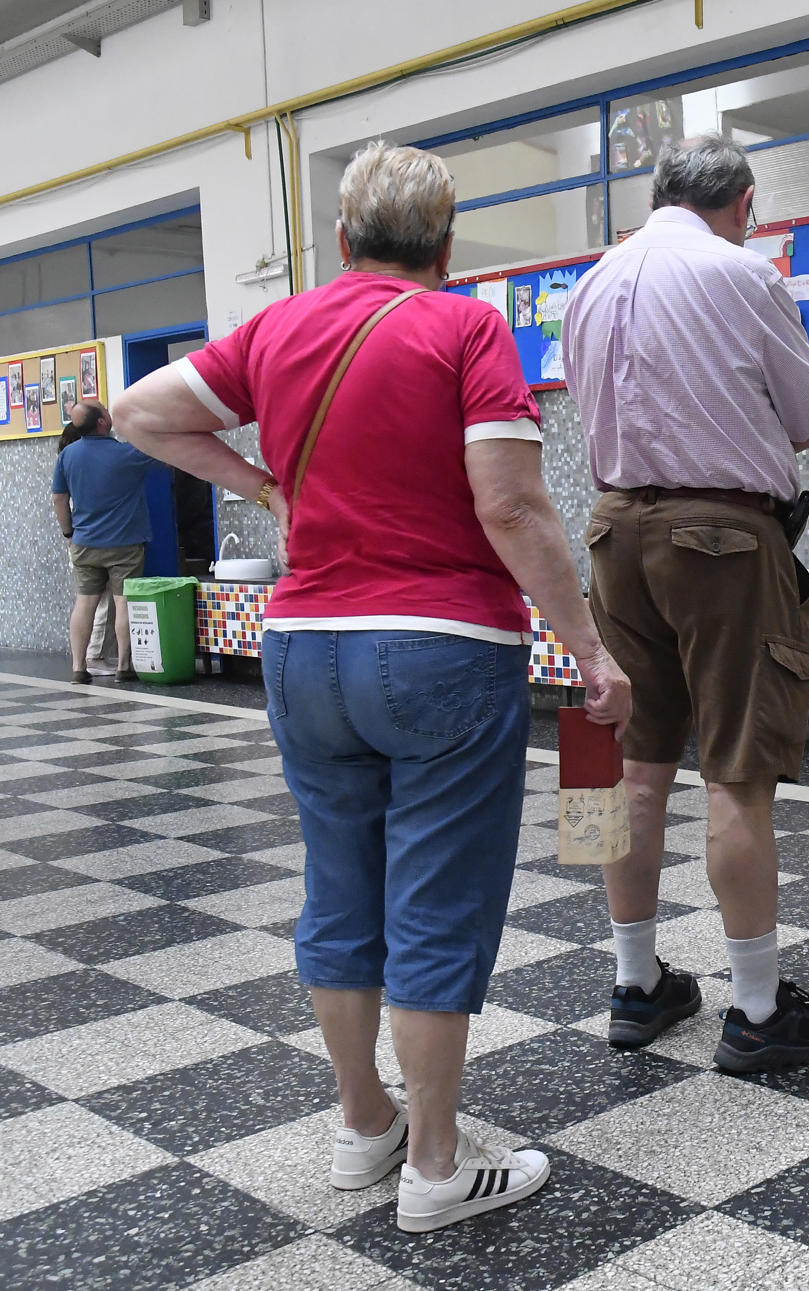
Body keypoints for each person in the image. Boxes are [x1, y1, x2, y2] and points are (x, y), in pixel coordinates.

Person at [113, 141, 631, 1232]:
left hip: (303, 648)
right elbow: (512, 507)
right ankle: (437, 1167)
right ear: (446, 245)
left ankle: (365, 1127)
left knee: (340, 886)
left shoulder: (281, 326)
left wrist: (262, 483)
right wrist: (588, 647)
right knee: (437, 898)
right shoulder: (466, 326)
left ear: (344, 242)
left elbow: (141, 413)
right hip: (439, 648)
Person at [562, 134, 809, 1070]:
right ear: (741, 201)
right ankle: (760, 1010)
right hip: (725, 538)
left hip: (610, 534)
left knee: (613, 767)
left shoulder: (587, 284)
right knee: (738, 772)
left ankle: (633, 983)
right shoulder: (744, 273)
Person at [50, 400, 151, 684]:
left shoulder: (67, 456)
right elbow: (167, 458)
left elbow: (59, 498)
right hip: (126, 543)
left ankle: (79, 668)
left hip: (84, 542)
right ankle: (123, 666)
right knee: (123, 602)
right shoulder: (128, 453)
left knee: (84, 603)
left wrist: (68, 533)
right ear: (103, 422)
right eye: (106, 410)